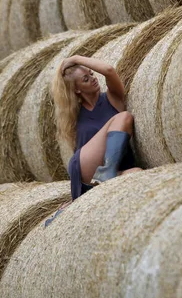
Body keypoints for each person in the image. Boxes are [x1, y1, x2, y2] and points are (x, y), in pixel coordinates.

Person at [51, 55, 142, 202]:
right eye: (85, 79)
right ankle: (105, 173)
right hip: (86, 169)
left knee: (137, 173)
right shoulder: (75, 114)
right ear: (77, 89)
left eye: (91, 74)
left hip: (115, 171)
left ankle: (106, 175)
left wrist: (77, 59)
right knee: (123, 117)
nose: (93, 79)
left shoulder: (112, 99)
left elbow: (109, 70)